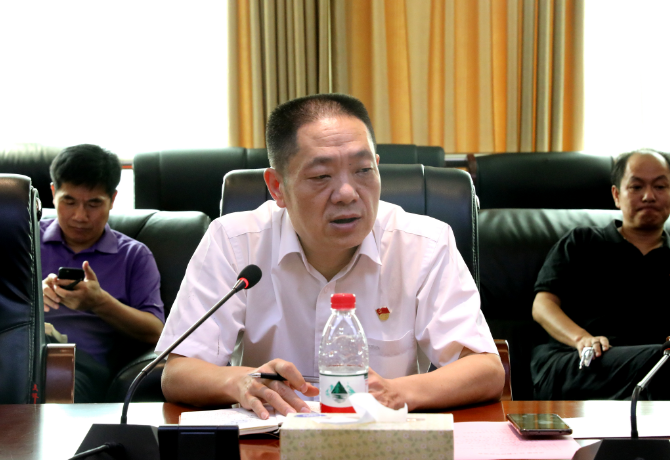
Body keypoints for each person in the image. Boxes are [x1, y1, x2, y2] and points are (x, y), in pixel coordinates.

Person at [157, 94, 504, 419]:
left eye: (363, 171)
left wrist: (395, 392)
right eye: (321, 176)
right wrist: (241, 382)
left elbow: (485, 370)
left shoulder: (423, 243)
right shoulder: (234, 242)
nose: (347, 193)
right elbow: (178, 372)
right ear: (278, 187)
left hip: (380, 440)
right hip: (269, 442)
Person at [531, 148, 670, 400]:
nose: (649, 196)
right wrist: (581, 339)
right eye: (636, 187)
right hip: (578, 362)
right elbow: (542, 306)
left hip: (654, 369)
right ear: (616, 195)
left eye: (660, 187)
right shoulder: (582, 242)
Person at [42, 144, 165, 402]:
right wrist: (29, 298)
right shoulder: (24, 240)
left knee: (54, 384)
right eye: (69, 201)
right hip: (19, 354)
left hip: (81, 367)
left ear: (112, 199)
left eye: (94, 204)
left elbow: (157, 331)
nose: (80, 216)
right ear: (53, 194)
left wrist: (99, 302)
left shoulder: (134, 255)